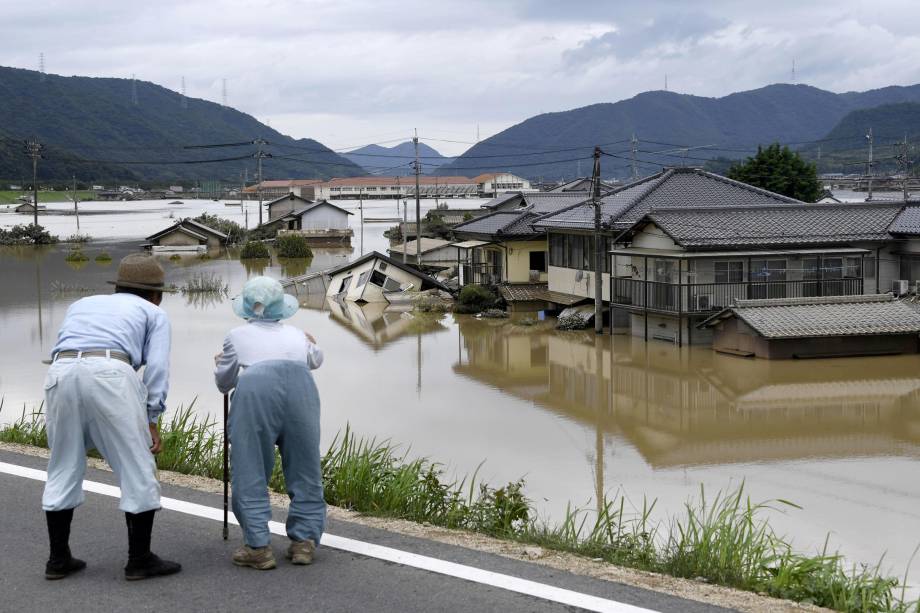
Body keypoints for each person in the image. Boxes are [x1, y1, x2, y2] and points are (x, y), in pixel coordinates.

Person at [42, 253, 181, 581]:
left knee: (63, 463)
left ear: (118, 286)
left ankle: (58, 559)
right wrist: (152, 418)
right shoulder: (153, 312)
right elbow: (157, 368)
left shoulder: (82, 304)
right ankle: (139, 560)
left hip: (60, 371)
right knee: (137, 466)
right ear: (155, 295)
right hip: (111, 373)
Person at [214, 276, 325, 570]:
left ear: (247, 308)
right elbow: (316, 360)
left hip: (256, 393)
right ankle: (304, 541)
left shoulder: (235, 336)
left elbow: (224, 383)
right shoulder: (299, 335)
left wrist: (221, 363)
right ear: (282, 308)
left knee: (250, 468)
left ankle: (258, 546)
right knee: (305, 467)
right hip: (301, 390)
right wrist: (309, 343)